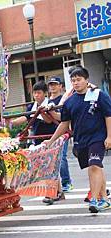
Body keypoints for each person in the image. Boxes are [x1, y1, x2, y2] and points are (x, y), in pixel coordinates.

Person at [44, 66, 111, 213]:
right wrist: (51, 140)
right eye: (73, 80)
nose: (76, 83)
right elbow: (64, 123)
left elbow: (108, 115)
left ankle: (94, 200)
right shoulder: (69, 102)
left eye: (79, 79)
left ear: (87, 80)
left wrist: (109, 136)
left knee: (94, 165)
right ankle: (105, 200)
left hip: (98, 137)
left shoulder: (99, 95)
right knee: (95, 167)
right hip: (81, 140)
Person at [9, 81, 64, 204]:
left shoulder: (50, 104)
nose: (36, 95)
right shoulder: (33, 106)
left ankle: (54, 193)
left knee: (52, 165)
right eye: (34, 93)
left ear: (45, 93)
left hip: (51, 137)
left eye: (39, 93)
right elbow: (26, 117)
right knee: (46, 166)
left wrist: (42, 112)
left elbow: (50, 120)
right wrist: (11, 122)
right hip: (39, 138)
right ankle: (57, 191)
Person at [47, 77, 73, 192]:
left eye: (55, 84)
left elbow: (62, 118)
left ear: (60, 86)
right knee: (50, 160)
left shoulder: (64, 99)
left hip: (63, 131)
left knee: (61, 157)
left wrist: (51, 111)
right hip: (49, 132)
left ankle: (66, 182)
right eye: (51, 84)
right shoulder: (46, 101)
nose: (52, 87)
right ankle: (54, 187)